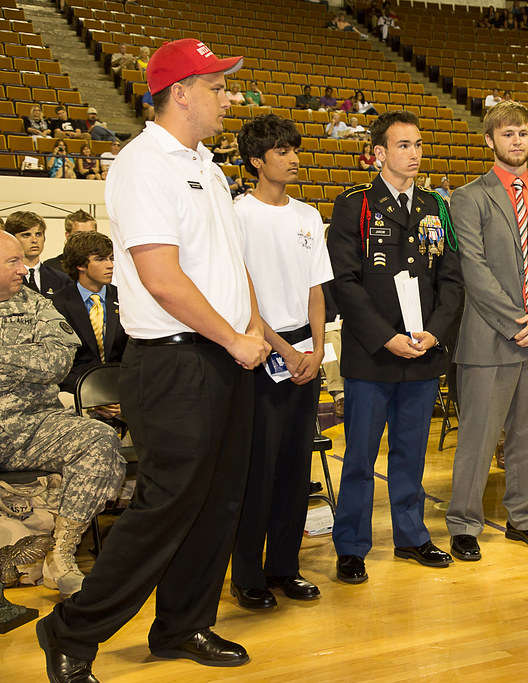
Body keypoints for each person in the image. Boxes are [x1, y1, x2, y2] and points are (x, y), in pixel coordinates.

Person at [36, 38, 271, 683]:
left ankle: (182, 624)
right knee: (165, 504)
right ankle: (70, 630)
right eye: (218, 86)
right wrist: (233, 337)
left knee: (218, 501)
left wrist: (252, 326)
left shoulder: (209, 165)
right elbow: (161, 279)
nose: (229, 98)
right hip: (175, 363)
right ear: (181, 92)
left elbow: (231, 263)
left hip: (224, 355)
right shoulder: (143, 164)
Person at [327, 111, 462, 584]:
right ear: (379, 153)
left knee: (412, 452)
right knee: (360, 457)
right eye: (404, 145)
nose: (414, 154)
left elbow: (451, 280)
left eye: (419, 145)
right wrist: (386, 335)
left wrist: (435, 333)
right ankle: (351, 545)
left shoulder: (435, 207)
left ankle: (411, 534)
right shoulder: (355, 205)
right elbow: (345, 282)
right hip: (373, 353)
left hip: (424, 351)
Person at [445, 100, 528, 562]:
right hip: (488, 338)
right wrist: (518, 321)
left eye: (522, 134)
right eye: (507, 134)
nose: (516, 142)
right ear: (490, 141)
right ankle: (463, 523)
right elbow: (473, 270)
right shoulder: (469, 197)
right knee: (478, 439)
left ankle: (525, 519)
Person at [229, 114, 331, 609]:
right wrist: (284, 349)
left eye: (294, 148)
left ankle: (284, 566)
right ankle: (247, 573)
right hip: (259, 351)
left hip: (304, 355)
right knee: (258, 467)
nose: (293, 158)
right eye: (282, 151)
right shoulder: (237, 214)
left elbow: (316, 290)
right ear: (256, 160)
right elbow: (243, 292)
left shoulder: (308, 216)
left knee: (296, 466)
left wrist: (315, 348)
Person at [0, 231, 125, 600]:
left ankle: (62, 555)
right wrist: (24, 357)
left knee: (99, 439)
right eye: (13, 262)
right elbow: (39, 361)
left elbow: (56, 362)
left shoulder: (35, 305)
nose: (24, 269)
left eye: (23, 260)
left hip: (35, 423)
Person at [51, 231, 128, 397]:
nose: (110, 265)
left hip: (122, 389)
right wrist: (93, 395)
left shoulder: (125, 298)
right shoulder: (57, 305)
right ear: (80, 265)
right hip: (77, 392)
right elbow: (59, 365)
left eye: (111, 258)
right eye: (101, 259)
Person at [5, 211, 72, 298]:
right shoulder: (5, 278)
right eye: (26, 235)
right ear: (12, 238)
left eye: (38, 234)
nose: (34, 240)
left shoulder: (61, 280)